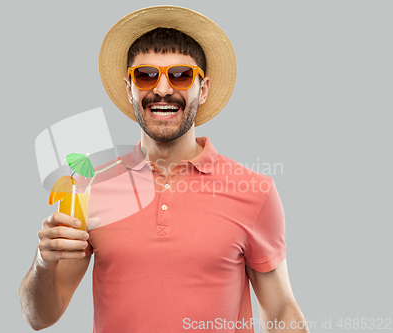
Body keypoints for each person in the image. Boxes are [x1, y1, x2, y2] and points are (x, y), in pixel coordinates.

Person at [20, 6, 309, 332]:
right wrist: (44, 262)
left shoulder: (255, 190)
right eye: (145, 75)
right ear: (130, 88)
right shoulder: (89, 187)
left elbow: (281, 309)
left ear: (204, 88)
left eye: (181, 75)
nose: (161, 89)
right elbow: (39, 317)